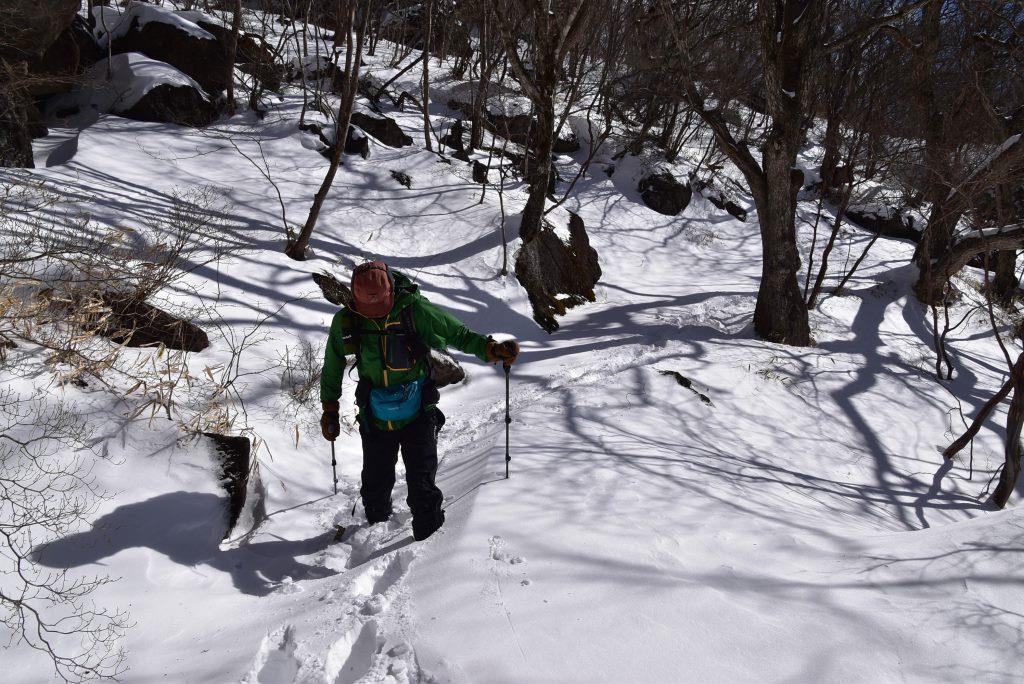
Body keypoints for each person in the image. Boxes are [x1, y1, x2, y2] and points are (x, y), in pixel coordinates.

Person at [320, 261, 519, 541]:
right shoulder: (347, 321)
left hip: (418, 413)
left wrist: (489, 349)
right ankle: (374, 528)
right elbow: (332, 364)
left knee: (422, 483)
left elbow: (457, 333)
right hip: (374, 414)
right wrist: (329, 407)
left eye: (381, 304)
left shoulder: (416, 311)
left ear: (390, 291)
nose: (375, 312)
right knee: (375, 485)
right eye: (369, 307)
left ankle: (431, 547)